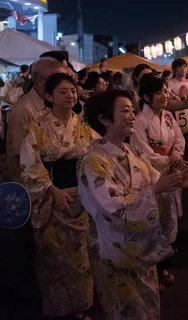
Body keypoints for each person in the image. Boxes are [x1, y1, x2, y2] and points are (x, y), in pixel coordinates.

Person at [79, 90, 188, 320]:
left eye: (132, 110)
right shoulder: (93, 160)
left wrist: (175, 181)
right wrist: (155, 190)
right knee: (126, 311)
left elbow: (153, 180)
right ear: (104, 119)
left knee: (148, 308)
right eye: (124, 111)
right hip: (114, 248)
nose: (132, 116)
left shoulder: (134, 151)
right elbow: (112, 207)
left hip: (143, 247)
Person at [20, 73, 100, 319]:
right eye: (63, 91)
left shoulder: (84, 126)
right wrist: (52, 190)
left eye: (73, 91)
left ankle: (81, 306)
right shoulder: (38, 127)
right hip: (52, 197)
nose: (70, 95)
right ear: (48, 96)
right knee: (55, 257)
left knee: (82, 256)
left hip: (81, 198)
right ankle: (57, 308)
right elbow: (30, 165)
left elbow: (98, 157)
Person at [131, 74, 188, 288]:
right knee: (154, 219)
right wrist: (167, 160)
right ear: (146, 96)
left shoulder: (168, 117)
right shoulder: (140, 120)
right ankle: (153, 269)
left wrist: (178, 154)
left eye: (165, 91)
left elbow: (179, 139)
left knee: (169, 218)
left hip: (170, 168)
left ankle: (164, 264)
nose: (165, 96)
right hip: (153, 173)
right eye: (159, 92)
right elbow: (143, 151)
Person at [6, 57, 67, 183]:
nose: (63, 83)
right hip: (33, 186)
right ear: (40, 80)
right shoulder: (23, 110)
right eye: (57, 79)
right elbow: (21, 158)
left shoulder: (52, 102)